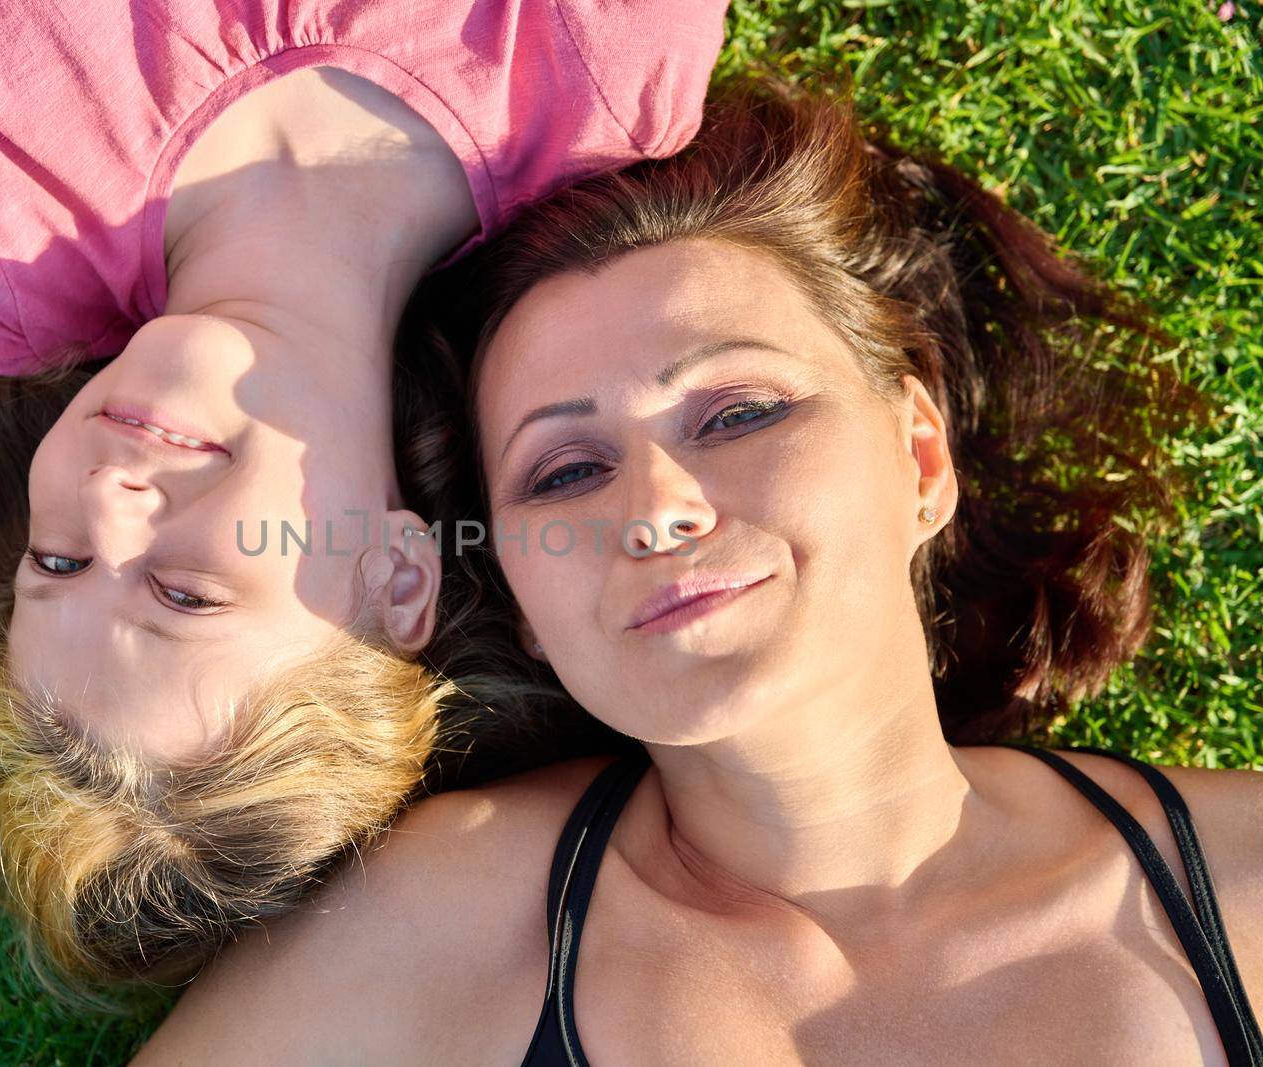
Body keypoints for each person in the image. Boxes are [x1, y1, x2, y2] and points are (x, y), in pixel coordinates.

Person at [132, 76, 1262, 1063]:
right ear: (523, 602)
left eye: (738, 411)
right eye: (566, 471)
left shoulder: (1248, 887)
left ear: (919, 455)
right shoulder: (446, 916)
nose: (659, 507)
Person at [0, 0, 726, 1004]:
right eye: (184, 592)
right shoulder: (600, 72)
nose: (106, 499)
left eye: (56, 563)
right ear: (396, 574)